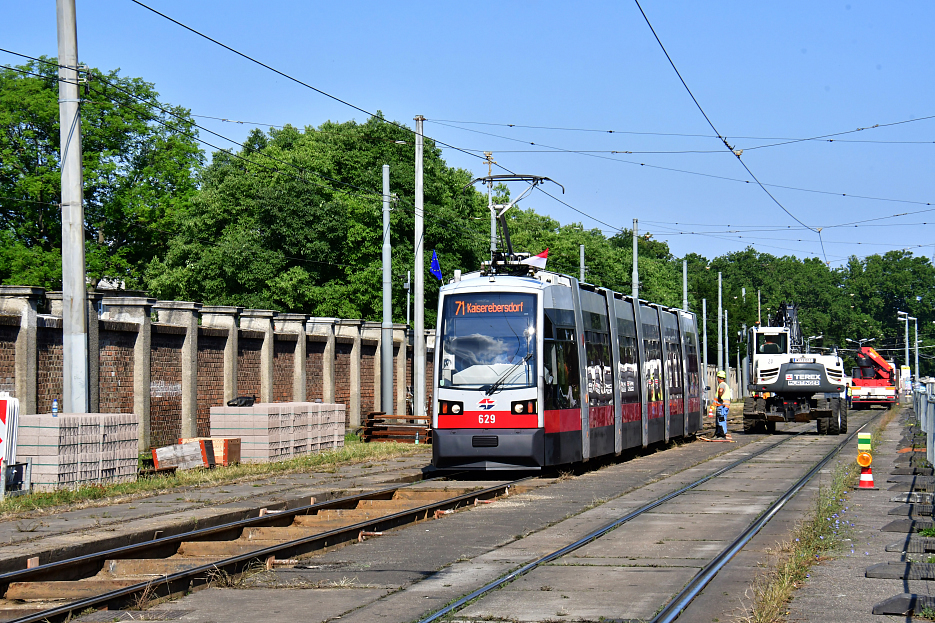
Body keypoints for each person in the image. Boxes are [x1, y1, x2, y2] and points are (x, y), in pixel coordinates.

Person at [715, 370, 731, 438]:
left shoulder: (722, 384)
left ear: (718, 378)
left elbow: (720, 390)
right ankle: (720, 433)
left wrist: (719, 397)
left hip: (722, 405)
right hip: (726, 406)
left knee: (721, 419)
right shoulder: (726, 385)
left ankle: (722, 434)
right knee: (723, 419)